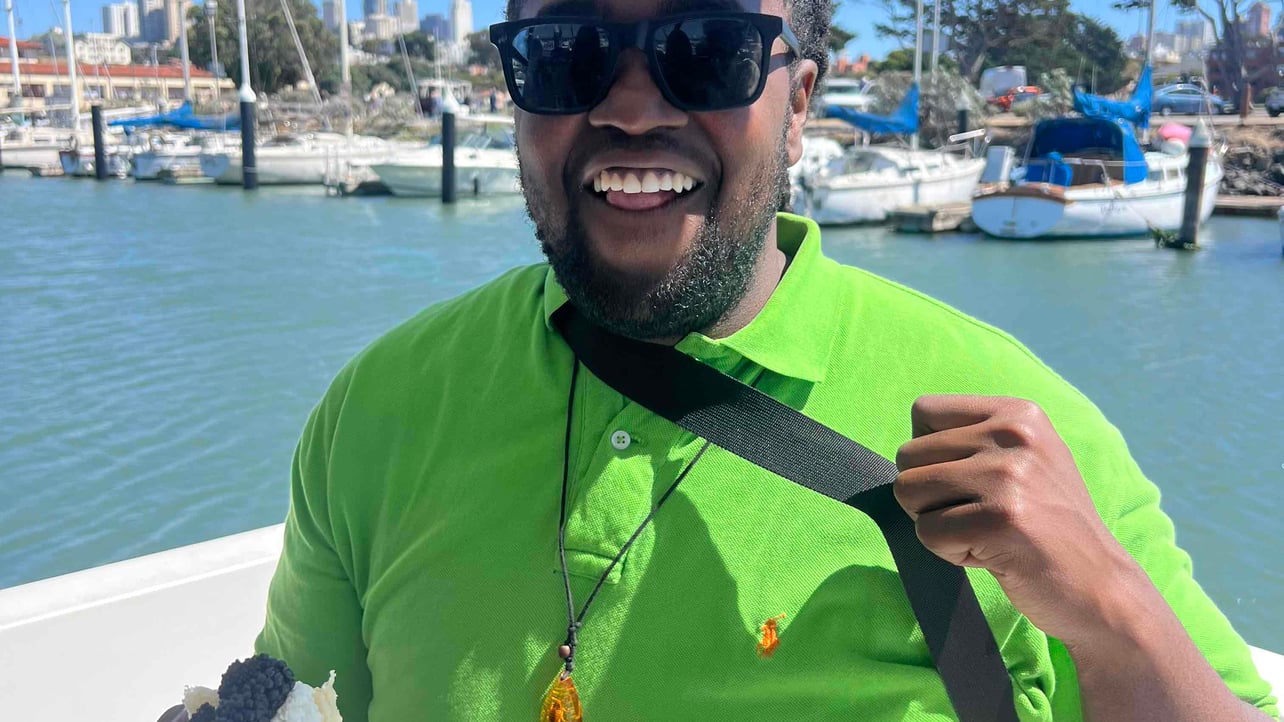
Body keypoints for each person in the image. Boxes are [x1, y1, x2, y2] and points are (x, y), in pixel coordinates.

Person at [255, 1, 1281, 721]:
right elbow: (291, 699)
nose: (632, 108)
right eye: (567, 51)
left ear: (798, 106)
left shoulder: (1018, 424)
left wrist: (1112, 611)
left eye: (708, 49)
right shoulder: (377, 409)